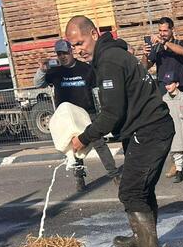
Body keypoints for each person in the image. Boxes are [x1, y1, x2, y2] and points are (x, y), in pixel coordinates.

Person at [65, 16, 174, 247]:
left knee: (131, 191)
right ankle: (142, 238)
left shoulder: (109, 61)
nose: (78, 50)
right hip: (145, 127)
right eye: (73, 46)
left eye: (80, 43)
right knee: (142, 189)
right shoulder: (111, 56)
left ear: (94, 34)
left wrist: (83, 138)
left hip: (149, 128)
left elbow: (111, 114)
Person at [33, 40, 120, 191]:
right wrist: (42, 70)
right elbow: (38, 84)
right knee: (73, 148)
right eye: (59, 54)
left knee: (99, 143)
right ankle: (79, 178)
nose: (63, 56)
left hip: (87, 114)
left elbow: (98, 86)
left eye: (65, 53)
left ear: (71, 51)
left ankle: (114, 174)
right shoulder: (55, 72)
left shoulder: (85, 69)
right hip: (67, 117)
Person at [161, 71, 183, 183]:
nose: (167, 86)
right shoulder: (164, 99)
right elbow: (161, 115)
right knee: (176, 152)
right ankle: (179, 171)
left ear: (176, 84)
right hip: (173, 130)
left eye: (170, 83)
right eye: (166, 84)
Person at [145, 17, 183, 96]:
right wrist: (145, 55)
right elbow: (145, 66)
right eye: (160, 30)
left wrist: (163, 42)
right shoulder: (157, 48)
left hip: (182, 89)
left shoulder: (180, 44)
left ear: (172, 29)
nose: (162, 34)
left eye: (165, 31)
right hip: (164, 91)